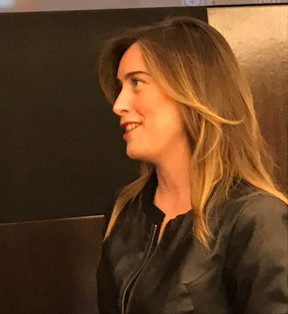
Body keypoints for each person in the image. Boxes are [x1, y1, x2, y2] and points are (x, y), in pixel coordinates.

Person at [96, 16, 288, 313]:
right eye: (121, 86)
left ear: (192, 90)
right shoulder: (125, 210)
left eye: (136, 82)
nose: (118, 105)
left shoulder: (256, 219)